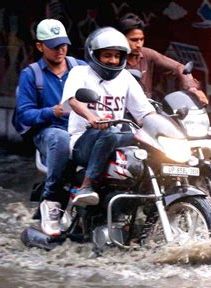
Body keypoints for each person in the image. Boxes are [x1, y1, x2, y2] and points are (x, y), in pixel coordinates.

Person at [61, 27, 155, 206]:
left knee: (143, 140)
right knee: (110, 131)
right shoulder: (80, 73)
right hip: (83, 142)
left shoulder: (126, 78)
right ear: (95, 55)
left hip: (114, 139)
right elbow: (73, 100)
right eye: (107, 55)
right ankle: (86, 186)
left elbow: (144, 111)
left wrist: (161, 127)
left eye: (117, 56)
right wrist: (91, 118)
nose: (113, 61)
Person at [15, 19, 86, 236]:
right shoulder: (31, 75)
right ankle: (51, 200)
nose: (60, 50)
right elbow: (24, 114)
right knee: (60, 138)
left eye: (63, 44)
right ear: (39, 46)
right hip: (49, 132)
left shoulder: (81, 68)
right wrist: (51, 111)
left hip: (81, 129)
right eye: (54, 45)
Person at [117, 13, 209, 105]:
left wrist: (192, 88)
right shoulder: (113, 58)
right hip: (120, 109)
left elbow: (179, 67)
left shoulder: (148, 54)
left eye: (141, 39)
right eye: (134, 40)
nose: (139, 45)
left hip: (145, 110)